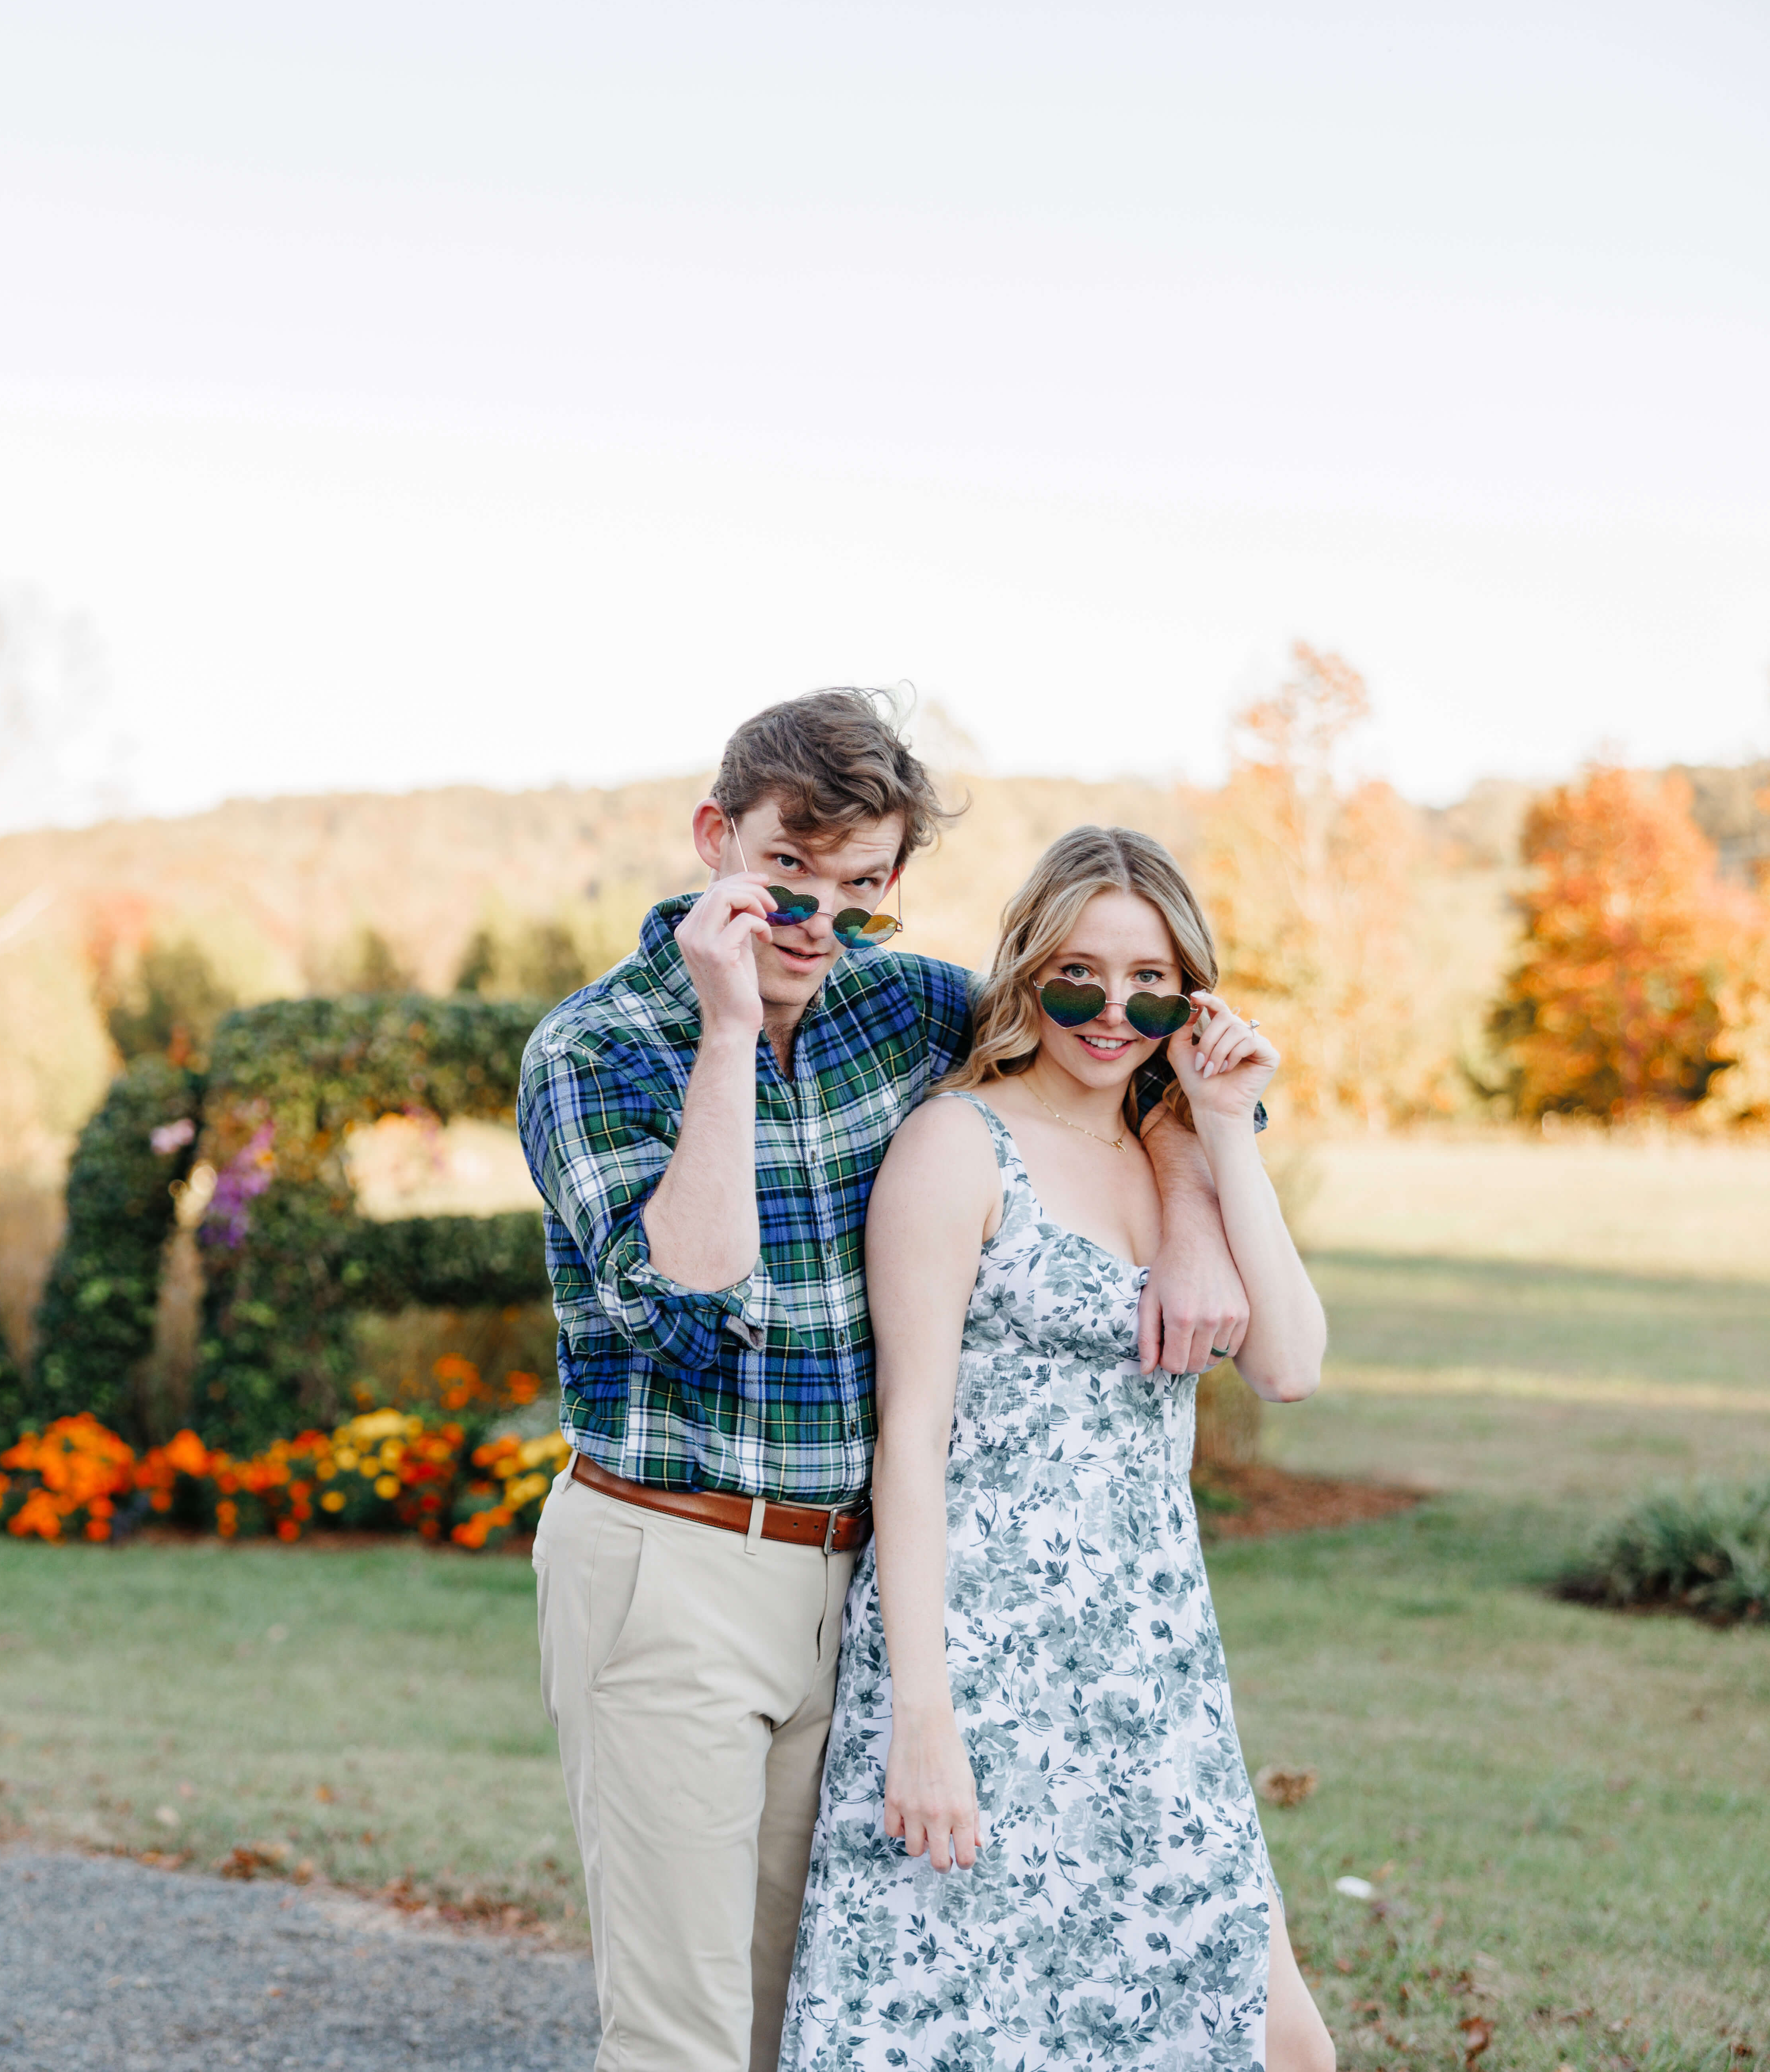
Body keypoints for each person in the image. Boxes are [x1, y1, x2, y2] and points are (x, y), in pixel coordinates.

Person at [517, 693, 1257, 2072]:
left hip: (853, 1585)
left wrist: (1196, 1222)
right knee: (685, 2036)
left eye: (861, 887)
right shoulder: (596, 1051)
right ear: (713, 838)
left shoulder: (906, 1008)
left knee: (810, 2015)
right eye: (787, 872)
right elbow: (693, 1298)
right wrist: (729, 1032)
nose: (815, 920)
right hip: (672, 1565)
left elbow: (1114, 1062)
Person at [776, 825, 1335, 2072]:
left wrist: (1227, 1123)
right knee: (978, 2031)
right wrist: (923, 1716)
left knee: (1273, 2042)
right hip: (983, 1663)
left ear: (1192, 992)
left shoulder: (1177, 1144)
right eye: (1080, 974)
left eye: (1151, 983)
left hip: (1149, 1661)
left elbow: (1291, 1365)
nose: (1112, 1011)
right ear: (1028, 969)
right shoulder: (955, 1146)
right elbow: (909, 1442)